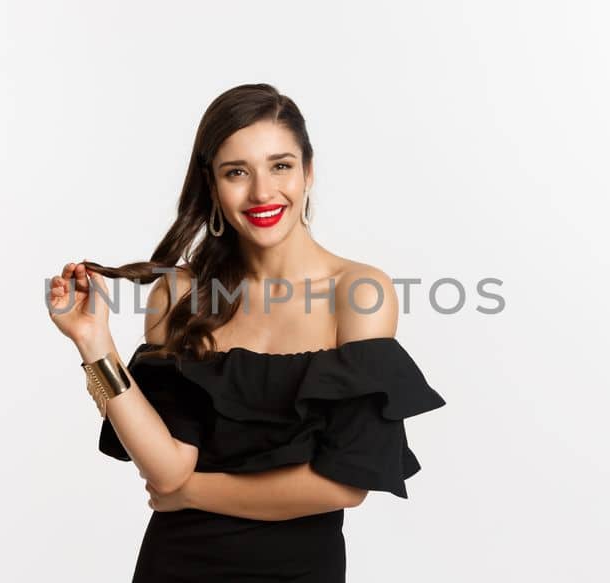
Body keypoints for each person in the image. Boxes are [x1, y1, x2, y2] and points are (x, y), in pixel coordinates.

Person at [44, 83, 446, 582]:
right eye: (237, 172)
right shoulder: (179, 294)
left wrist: (192, 493)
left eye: (281, 166)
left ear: (309, 172)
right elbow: (165, 469)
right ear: (212, 185)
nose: (261, 192)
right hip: (177, 566)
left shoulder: (359, 291)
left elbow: (343, 485)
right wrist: (94, 344)